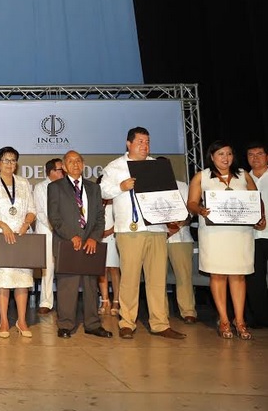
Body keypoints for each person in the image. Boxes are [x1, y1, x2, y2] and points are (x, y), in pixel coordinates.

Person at [100, 126, 185, 339]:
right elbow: (102, 191)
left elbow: (168, 194)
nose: (144, 146)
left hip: (157, 228)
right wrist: (121, 187)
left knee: (157, 278)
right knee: (130, 278)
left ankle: (160, 323)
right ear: (128, 144)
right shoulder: (115, 166)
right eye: (140, 142)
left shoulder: (157, 165)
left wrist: (173, 216)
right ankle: (127, 322)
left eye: (147, 142)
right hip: (130, 230)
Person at [187, 140, 265, 340]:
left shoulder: (243, 175)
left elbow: (256, 199)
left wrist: (261, 216)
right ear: (212, 157)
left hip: (240, 234)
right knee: (218, 275)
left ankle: (240, 321)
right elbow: (191, 203)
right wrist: (200, 210)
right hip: (214, 234)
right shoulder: (202, 176)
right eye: (221, 154)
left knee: (238, 276)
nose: (226, 158)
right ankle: (224, 320)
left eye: (229, 154)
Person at [48, 150, 112, 339]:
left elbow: (100, 218)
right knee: (67, 285)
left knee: (91, 285)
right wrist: (72, 236)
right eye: (70, 161)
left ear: (83, 164)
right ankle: (65, 325)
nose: (75, 164)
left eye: (78, 160)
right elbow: (54, 217)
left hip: (90, 243)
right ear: (64, 167)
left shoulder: (94, 188)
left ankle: (93, 324)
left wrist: (94, 238)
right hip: (67, 243)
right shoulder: (55, 187)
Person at [0, 146, 37, 338]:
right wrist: (3, 225)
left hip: (21, 236)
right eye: (6, 160)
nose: (9, 164)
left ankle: (22, 321)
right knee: (2, 281)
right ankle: (4, 321)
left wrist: (26, 223)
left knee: (23, 280)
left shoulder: (23, 183)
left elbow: (32, 209)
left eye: (13, 160)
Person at [156, 156, 198, 324]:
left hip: (181, 237)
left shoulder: (182, 186)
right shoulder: (149, 187)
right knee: (157, 279)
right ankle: (161, 313)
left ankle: (188, 311)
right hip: (157, 237)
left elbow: (190, 211)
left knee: (184, 276)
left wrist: (175, 227)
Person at [32, 157, 64, 315]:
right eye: (60, 170)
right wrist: (57, 227)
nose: (63, 173)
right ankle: (46, 302)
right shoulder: (40, 188)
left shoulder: (67, 187)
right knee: (48, 268)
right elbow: (40, 212)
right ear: (51, 172)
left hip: (65, 233)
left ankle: (65, 302)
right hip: (47, 231)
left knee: (65, 268)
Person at [246, 141, 268, 328]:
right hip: (251, 236)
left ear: (267, 156)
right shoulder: (242, 181)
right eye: (251, 155)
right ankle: (261, 318)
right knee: (255, 280)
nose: (255, 158)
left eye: (259, 154)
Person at [95, 176, 121, 317]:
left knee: (114, 269)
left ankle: (116, 301)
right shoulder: (95, 200)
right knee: (101, 270)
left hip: (113, 236)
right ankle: (105, 301)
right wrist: (99, 233)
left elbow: (121, 218)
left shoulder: (116, 199)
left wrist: (109, 231)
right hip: (99, 238)